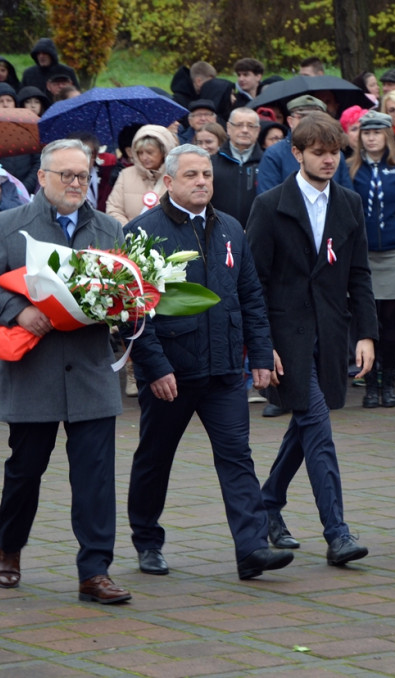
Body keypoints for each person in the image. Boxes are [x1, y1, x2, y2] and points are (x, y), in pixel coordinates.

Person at [0, 139, 131, 604]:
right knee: (25, 471)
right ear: (42, 178)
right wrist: (18, 312)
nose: (78, 183)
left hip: (91, 371)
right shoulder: (9, 225)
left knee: (96, 475)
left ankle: (94, 571)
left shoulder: (108, 229)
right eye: (68, 176)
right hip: (34, 369)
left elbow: (127, 291)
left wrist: (125, 309)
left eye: (84, 176)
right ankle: (10, 546)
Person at [124, 144, 292, 579]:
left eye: (207, 175)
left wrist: (258, 353)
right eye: (192, 175)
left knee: (237, 456)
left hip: (223, 371)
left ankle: (252, 548)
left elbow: (251, 296)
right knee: (155, 458)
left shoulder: (231, 228)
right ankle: (146, 540)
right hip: (172, 375)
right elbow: (133, 311)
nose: (202, 182)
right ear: (168, 182)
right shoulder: (144, 232)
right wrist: (156, 367)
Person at [246, 112, 377, 566]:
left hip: (332, 333)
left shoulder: (349, 204)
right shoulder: (269, 205)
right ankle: (337, 532)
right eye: (319, 153)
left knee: (304, 428)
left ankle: (267, 505)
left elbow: (359, 274)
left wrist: (366, 333)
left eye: (335, 152)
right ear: (297, 154)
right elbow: (254, 282)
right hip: (287, 338)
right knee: (317, 428)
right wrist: (263, 345)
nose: (329, 160)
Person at [347, 110, 395, 408]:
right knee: (367, 320)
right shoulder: (350, 170)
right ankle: (369, 383)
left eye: (378, 132)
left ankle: (388, 383)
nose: (372, 137)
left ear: (388, 135)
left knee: (390, 321)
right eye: (367, 132)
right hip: (362, 255)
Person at [257, 95, 353, 194]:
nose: (309, 123)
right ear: (290, 121)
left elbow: (347, 196)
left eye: (316, 118)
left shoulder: (337, 155)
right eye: (302, 118)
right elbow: (268, 198)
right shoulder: (274, 154)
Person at [106, 124, 178, 225]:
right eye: (140, 153)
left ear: (163, 151)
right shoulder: (125, 175)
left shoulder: (176, 176)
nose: (144, 157)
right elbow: (113, 209)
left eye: (150, 152)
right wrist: (131, 234)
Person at [210, 107, 263, 226]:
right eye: (239, 125)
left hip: (256, 232)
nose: (245, 130)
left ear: (258, 130)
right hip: (219, 231)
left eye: (250, 126)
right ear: (228, 128)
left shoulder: (267, 163)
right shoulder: (211, 163)